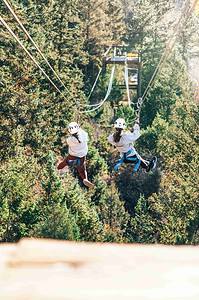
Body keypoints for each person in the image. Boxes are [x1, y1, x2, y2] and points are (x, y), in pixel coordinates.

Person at [57, 122, 94, 188]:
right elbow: (81, 133)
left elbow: (68, 140)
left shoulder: (70, 140)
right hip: (82, 156)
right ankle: (85, 179)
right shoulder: (84, 134)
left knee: (64, 163)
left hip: (72, 157)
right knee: (82, 169)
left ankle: (56, 169)